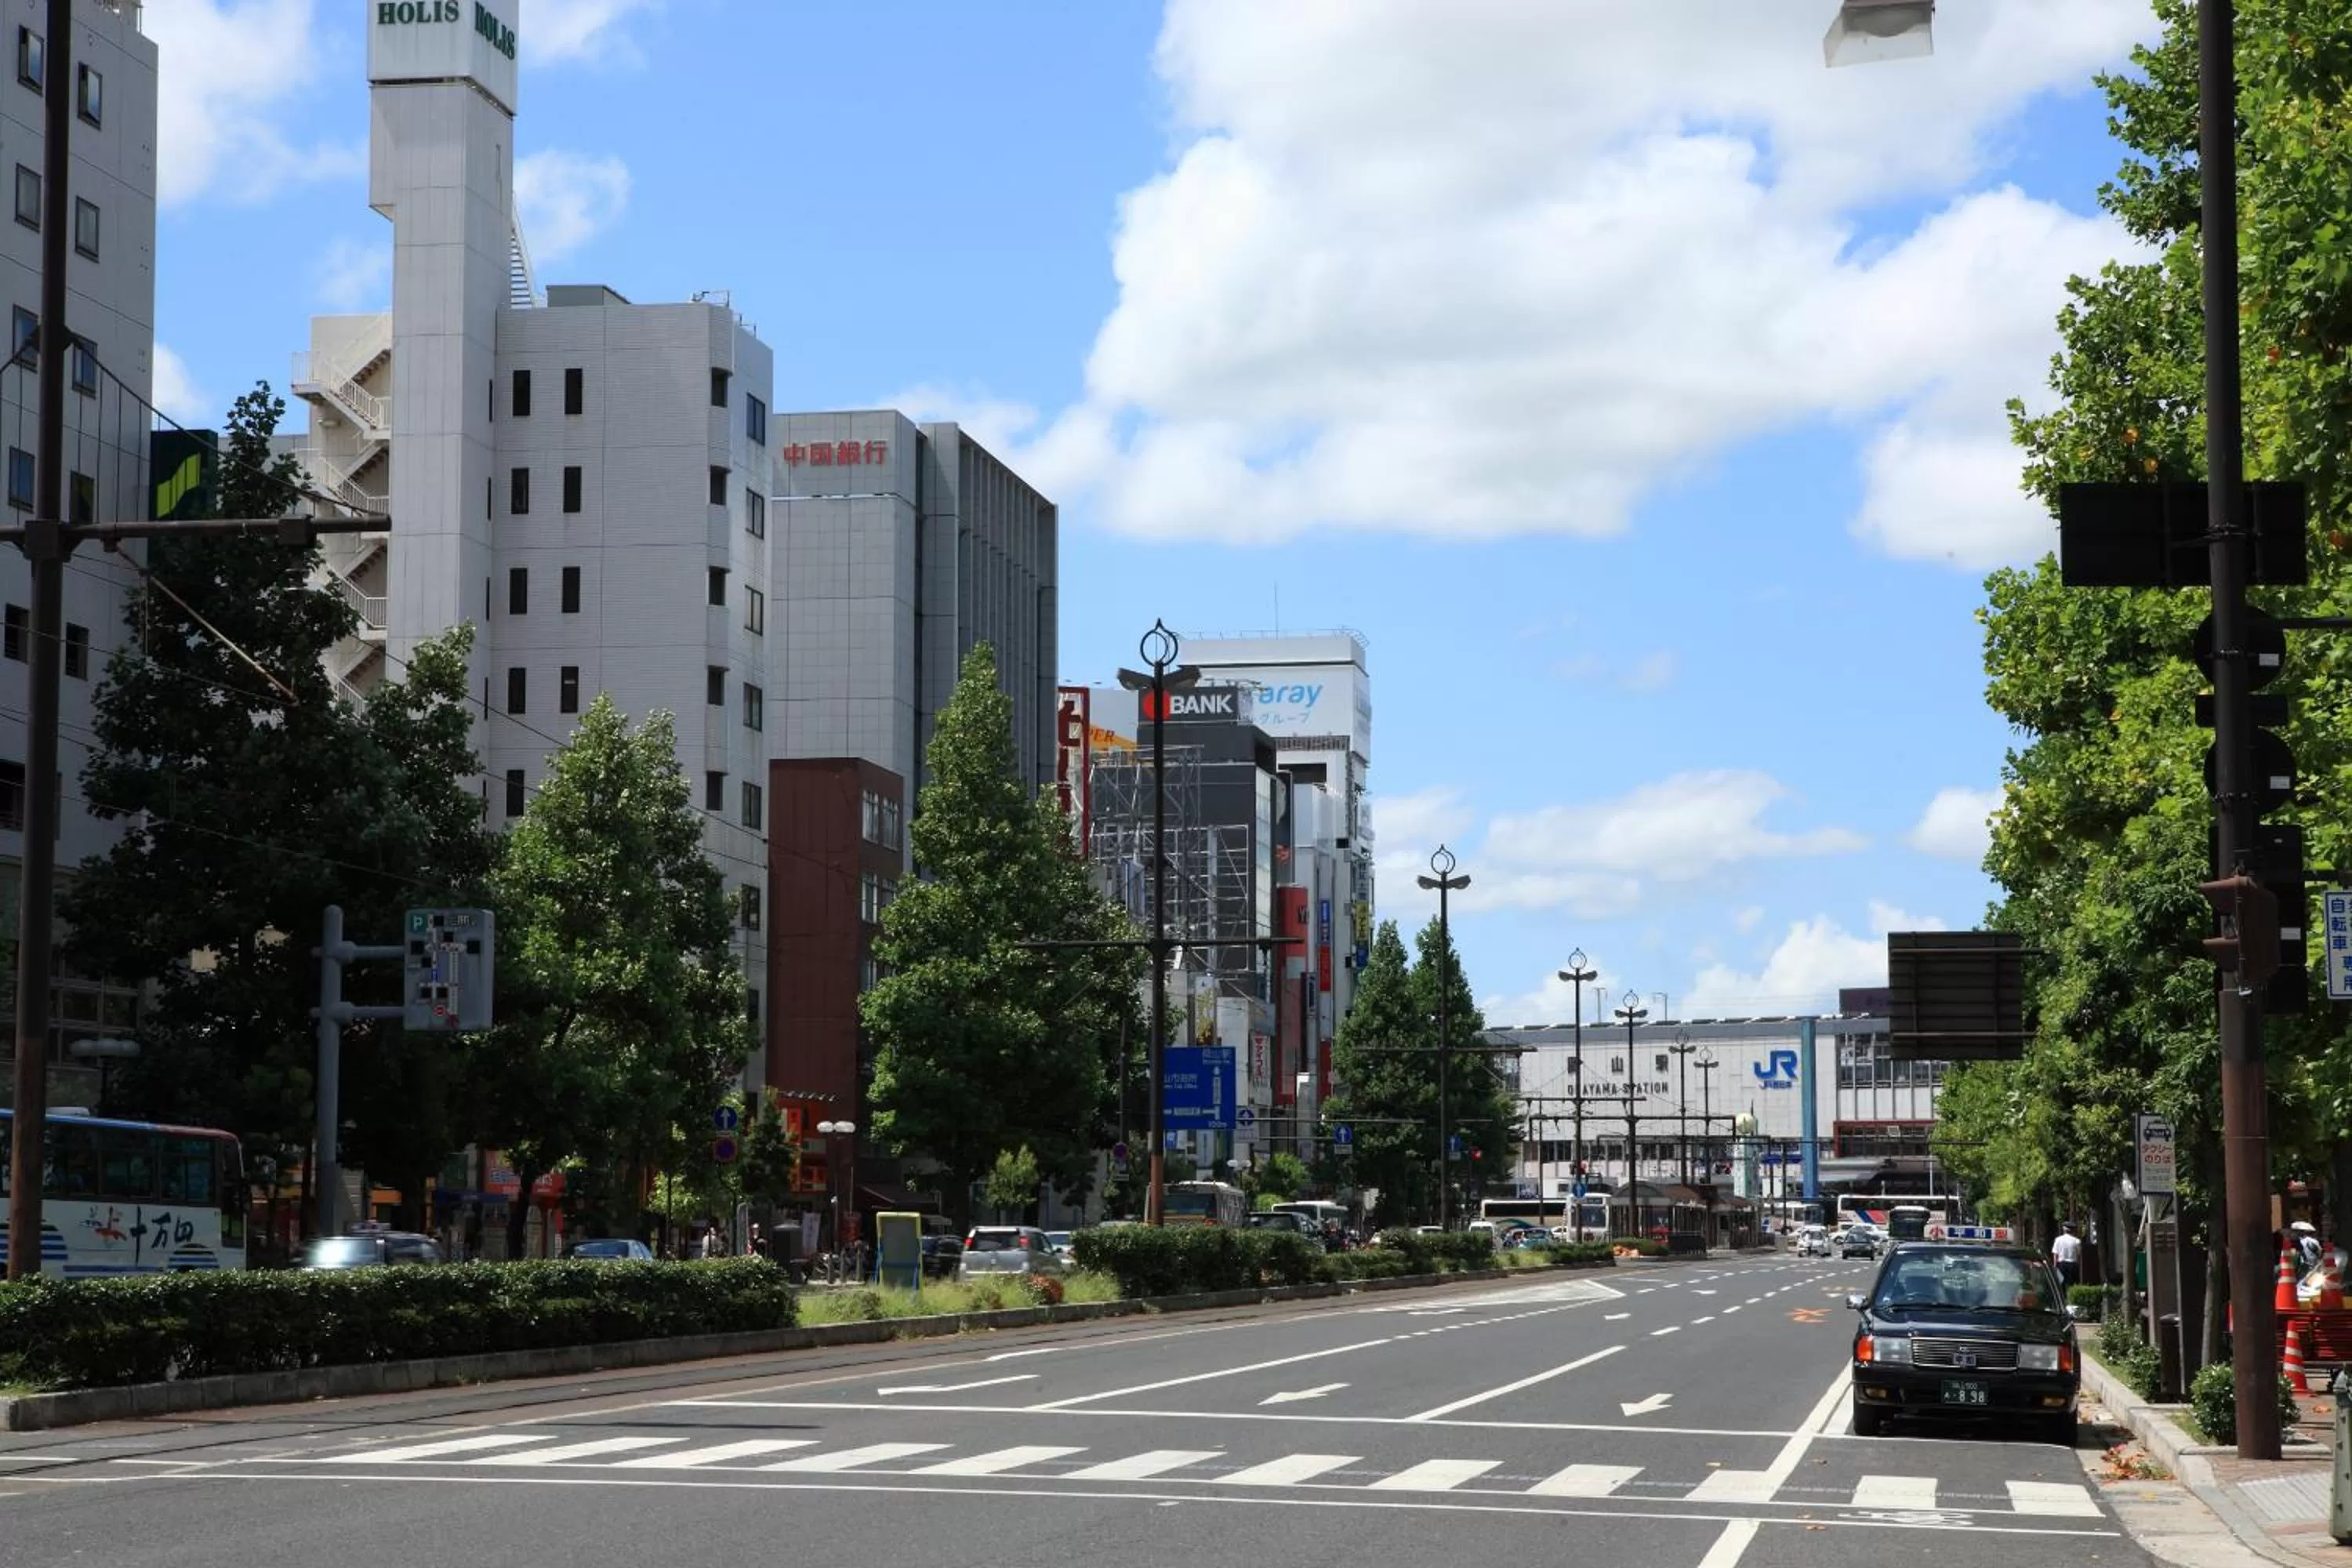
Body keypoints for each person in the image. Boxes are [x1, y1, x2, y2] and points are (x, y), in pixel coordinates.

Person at [2051, 1221, 2083, 1290]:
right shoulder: (2077, 1241)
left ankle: (2062, 1299)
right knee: (2073, 1285)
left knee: (2061, 1286)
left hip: (2061, 1265)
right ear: (2072, 1230)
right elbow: (2079, 1255)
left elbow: (2055, 1254)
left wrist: (2055, 1266)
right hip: (2073, 1265)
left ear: (2064, 1230)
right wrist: (2079, 1265)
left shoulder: (2058, 1240)